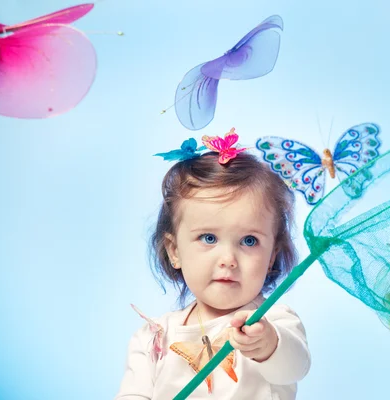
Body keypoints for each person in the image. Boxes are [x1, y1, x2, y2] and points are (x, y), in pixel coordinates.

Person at [115, 129, 311, 400]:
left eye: (249, 241)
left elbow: (294, 367)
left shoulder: (274, 322)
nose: (228, 260)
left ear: (272, 257)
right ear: (175, 251)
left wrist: (268, 345)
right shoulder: (154, 337)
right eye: (209, 238)